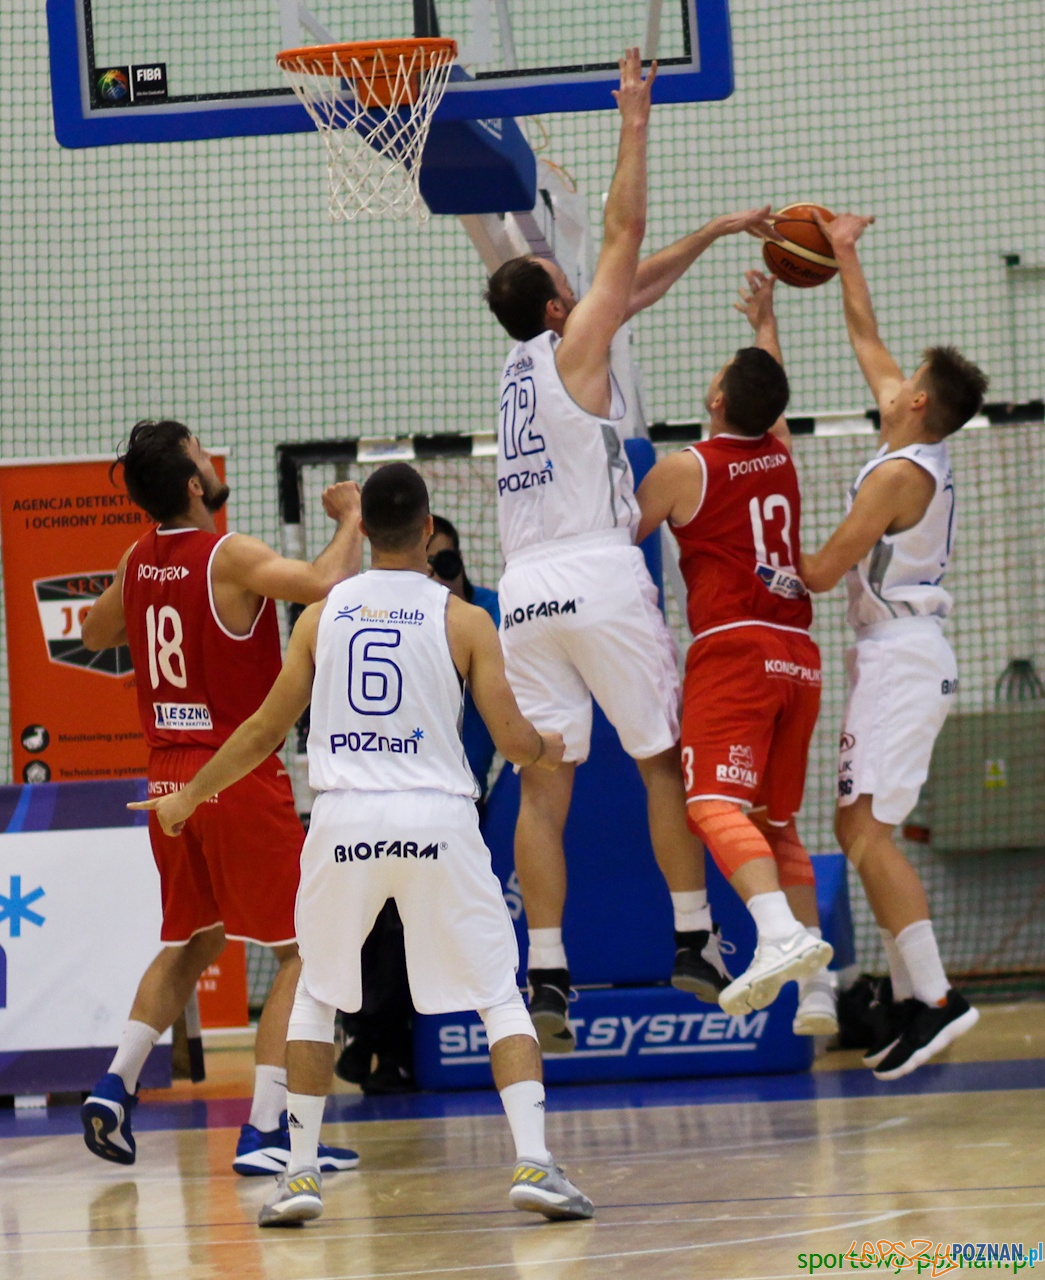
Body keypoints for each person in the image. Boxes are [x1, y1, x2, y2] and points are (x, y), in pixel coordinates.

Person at [135, 462, 594, 1227]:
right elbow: (512, 740)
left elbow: (260, 733)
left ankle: (302, 1174)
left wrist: (187, 795)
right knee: (498, 996)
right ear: (425, 531)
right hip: (434, 820)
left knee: (316, 994)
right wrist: (553, 746)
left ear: (368, 532)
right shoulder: (462, 619)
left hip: (344, 821)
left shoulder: (320, 616)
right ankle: (535, 1163)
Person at [483, 47, 781, 1050]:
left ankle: (548, 973)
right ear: (562, 306)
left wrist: (711, 231)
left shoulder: (522, 365)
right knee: (662, 761)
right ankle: (693, 941)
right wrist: (633, 118)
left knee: (545, 783)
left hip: (520, 592)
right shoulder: (575, 346)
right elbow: (623, 234)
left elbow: (632, 282)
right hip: (597, 571)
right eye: (574, 284)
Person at [79, 419, 362, 1176]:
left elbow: (94, 627)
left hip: (166, 779)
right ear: (196, 484)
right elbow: (325, 587)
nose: (209, 455)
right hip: (232, 775)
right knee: (307, 949)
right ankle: (266, 1129)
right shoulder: (229, 554)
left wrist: (136, 593)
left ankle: (115, 1084)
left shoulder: (138, 558)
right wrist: (353, 520)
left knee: (192, 940)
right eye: (201, 451)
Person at [799, 212, 988, 1079]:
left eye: (907, 375)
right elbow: (863, 331)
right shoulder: (905, 435)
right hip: (893, 656)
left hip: (904, 657)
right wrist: (841, 250)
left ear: (918, 401)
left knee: (868, 835)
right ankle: (918, 998)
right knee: (855, 827)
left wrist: (751, 553)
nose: (893, 370)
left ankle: (936, 998)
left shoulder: (896, 475)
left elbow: (824, 567)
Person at [634, 270, 834, 1021]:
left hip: (734, 650)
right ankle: (819, 989)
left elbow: (618, 541)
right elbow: (767, 398)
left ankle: (777, 934)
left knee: (710, 803)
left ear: (717, 399)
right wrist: (765, 321)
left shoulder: (685, 468)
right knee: (776, 823)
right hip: (798, 657)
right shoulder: (779, 451)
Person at [334, 514, 502, 1097]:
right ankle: (374, 1040)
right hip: (391, 799)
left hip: (462, 805)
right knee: (378, 923)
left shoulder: (483, 616)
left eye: (449, 561)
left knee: (427, 927)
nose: (438, 571)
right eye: (433, 560)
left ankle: (384, 1043)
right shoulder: (389, 617)